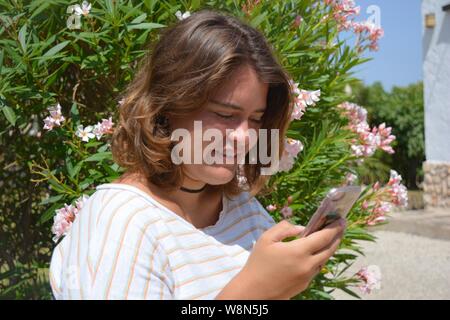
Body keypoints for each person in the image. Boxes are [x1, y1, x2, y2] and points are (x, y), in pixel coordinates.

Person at [48, 9, 346, 300]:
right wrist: (255, 291)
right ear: (166, 108)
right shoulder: (120, 224)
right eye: (225, 114)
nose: (245, 137)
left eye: (256, 119)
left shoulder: (240, 208)